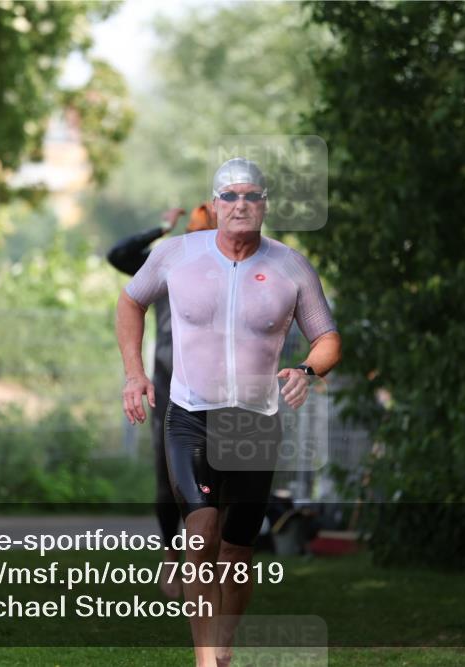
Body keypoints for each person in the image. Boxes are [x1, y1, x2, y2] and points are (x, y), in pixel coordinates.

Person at [115, 158, 342, 667]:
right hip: (191, 414)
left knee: (237, 554)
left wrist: (306, 371)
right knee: (200, 537)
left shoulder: (290, 266)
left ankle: (225, 644)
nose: (242, 204)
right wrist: (135, 374)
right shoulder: (176, 254)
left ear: (264, 205)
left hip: (254, 424)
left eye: (252, 196)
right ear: (215, 204)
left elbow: (326, 338)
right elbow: (130, 303)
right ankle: (205, 657)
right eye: (231, 195)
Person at [107, 203, 217, 599]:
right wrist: (159, 228)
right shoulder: (168, 264)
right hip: (170, 383)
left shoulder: (232, 268)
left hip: (223, 388)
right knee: (167, 473)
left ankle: (208, 557)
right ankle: (173, 554)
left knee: (219, 473)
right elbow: (118, 256)